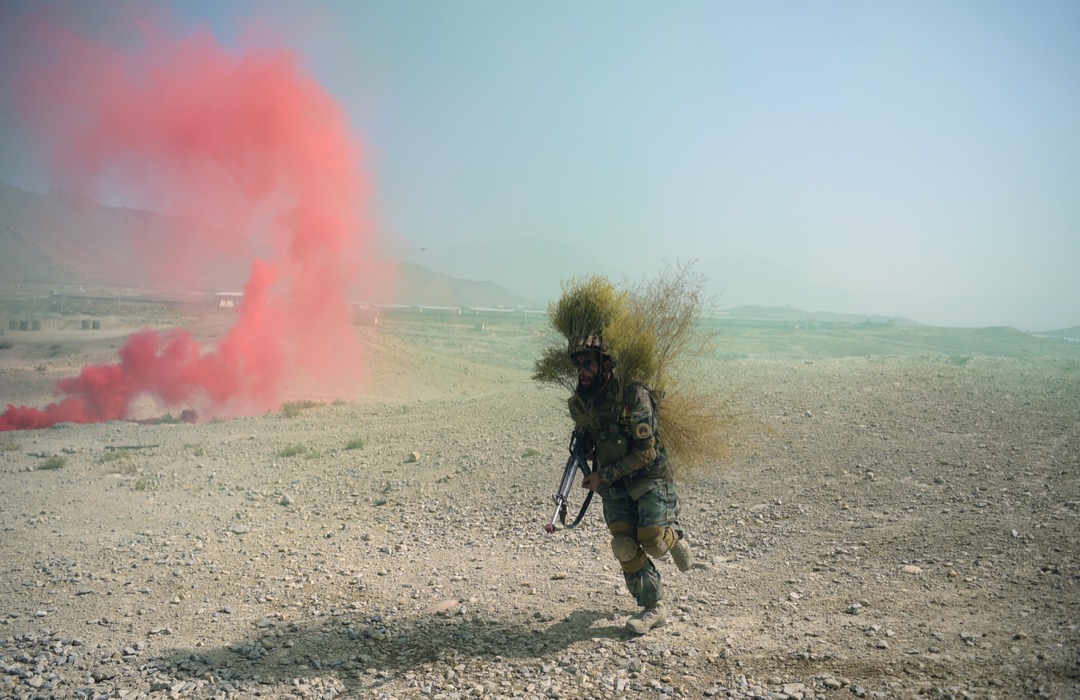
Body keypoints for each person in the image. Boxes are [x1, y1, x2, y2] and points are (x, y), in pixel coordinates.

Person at [566, 334, 692, 634]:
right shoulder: (581, 402)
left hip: (649, 477)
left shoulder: (633, 396)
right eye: (577, 365)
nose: (581, 371)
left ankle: (672, 535)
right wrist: (585, 451)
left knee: (652, 541)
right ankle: (654, 607)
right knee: (623, 545)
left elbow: (645, 451)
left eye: (588, 364)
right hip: (614, 486)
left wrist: (604, 476)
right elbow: (589, 440)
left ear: (606, 364)